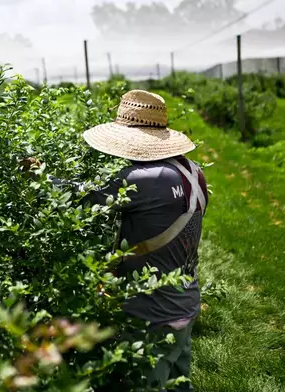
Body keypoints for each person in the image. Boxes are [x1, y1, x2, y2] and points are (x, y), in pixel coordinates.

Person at [35, 90, 208, 391]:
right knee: (179, 383)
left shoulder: (145, 178)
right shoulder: (194, 172)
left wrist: (37, 175)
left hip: (152, 311)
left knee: (144, 382)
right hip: (185, 297)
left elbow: (77, 197)